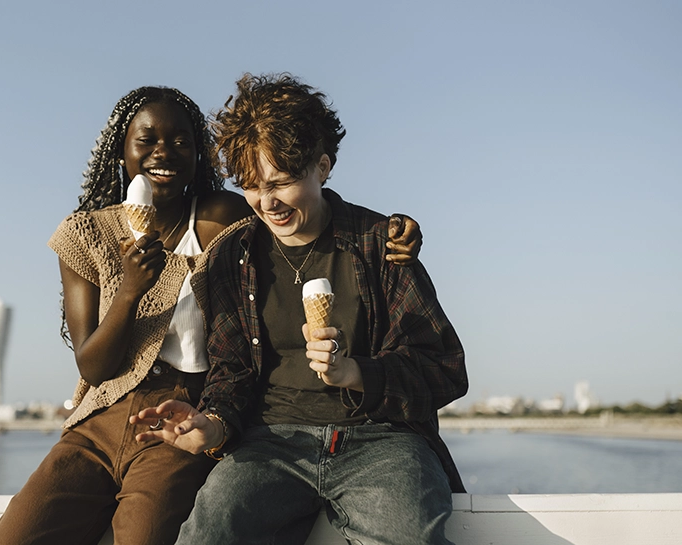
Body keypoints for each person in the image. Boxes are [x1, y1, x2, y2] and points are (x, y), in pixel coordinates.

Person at [0, 86, 425, 545]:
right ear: (121, 150)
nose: (164, 152)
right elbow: (93, 367)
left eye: (181, 142)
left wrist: (391, 229)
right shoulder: (87, 234)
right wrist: (131, 291)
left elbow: (302, 202)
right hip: (105, 413)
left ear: (200, 157)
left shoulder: (226, 219)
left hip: (185, 407)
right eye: (147, 139)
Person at [132, 73, 468, 545]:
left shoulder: (382, 245)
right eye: (250, 186)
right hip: (271, 443)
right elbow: (232, 372)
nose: (267, 203)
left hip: (385, 442)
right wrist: (211, 422)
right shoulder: (233, 257)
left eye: (282, 182)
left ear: (323, 166)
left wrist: (356, 373)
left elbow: (446, 369)